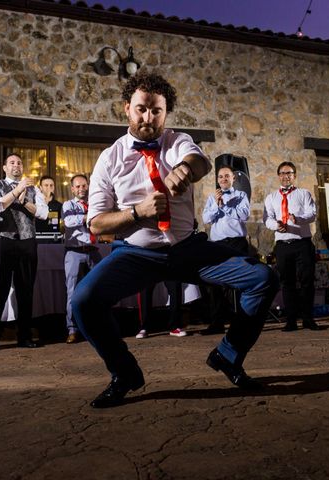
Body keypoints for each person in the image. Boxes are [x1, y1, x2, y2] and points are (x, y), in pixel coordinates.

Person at [71, 72, 278, 408]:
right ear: (127, 109)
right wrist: (137, 212)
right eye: (141, 109)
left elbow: (200, 162)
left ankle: (228, 354)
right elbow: (96, 223)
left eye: (156, 111)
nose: (148, 118)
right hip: (135, 253)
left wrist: (185, 168)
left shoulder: (178, 140)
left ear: (165, 113)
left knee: (263, 278)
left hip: (187, 248)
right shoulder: (109, 158)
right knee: (83, 301)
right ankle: (124, 373)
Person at [0, 154, 48, 352]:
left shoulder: (33, 189)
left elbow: (43, 214)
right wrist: (17, 191)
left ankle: (24, 337)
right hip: (1, 241)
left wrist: (24, 200)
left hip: (27, 242)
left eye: (19, 162)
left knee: (25, 291)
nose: (16, 165)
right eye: (12, 163)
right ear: (4, 167)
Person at [263, 161, 319, 332]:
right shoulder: (271, 197)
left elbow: (312, 214)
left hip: (302, 243)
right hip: (283, 245)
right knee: (287, 283)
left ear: (294, 175)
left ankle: (308, 319)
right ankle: (291, 320)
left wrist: (298, 218)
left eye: (289, 173)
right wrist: (275, 225)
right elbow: (267, 219)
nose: (286, 176)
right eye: (282, 173)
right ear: (278, 176)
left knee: (307, 281)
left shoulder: (304, 193)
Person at [200, 165, 250, 334]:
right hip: (218, 244)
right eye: (220, 177)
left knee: (240, 281)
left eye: (226, 176)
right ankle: (217, 323)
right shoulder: (212, 198)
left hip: (237, 243)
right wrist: (216, 204)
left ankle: (243, 321)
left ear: (233, 178)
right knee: (214, 283)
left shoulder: (241, 195)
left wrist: (225, 207)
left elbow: (244, 215)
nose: (223, 179)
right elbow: (206, 218)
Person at [62, 174, 102, 344]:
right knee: (72, 291)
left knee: (98, 289)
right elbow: (70, 221)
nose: (81, 189)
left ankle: (97, 326)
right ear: (72, 189)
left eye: (84, 186)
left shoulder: (94, 204)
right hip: (74, 252)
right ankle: (72, 329)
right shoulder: (68, 205)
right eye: (77, 186)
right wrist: (89, 217)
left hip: (93, 251)